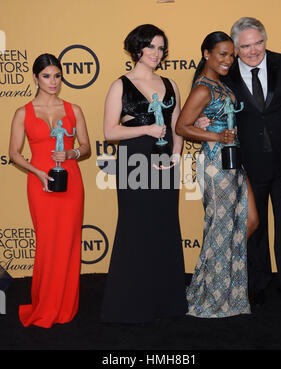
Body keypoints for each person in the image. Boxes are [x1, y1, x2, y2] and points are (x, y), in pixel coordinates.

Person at [199, 17, 281, 307]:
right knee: (254, 227)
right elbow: (202, 97)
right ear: (235, 47)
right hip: (247, 164)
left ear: (265, 41)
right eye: (245, 46)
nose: (254, 51)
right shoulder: (223, 73)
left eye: (259, 43)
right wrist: (204, 121)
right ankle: (257, 282)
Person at [101, 24, 187, 323]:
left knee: (164, 228)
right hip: (134, 162)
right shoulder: (120, 85)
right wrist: (147, 128)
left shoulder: (171, 83)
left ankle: (167, 303)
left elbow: (178, 124)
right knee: (136, 228)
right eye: (151, 46)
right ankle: (129, 305)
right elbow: (110, 132)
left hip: (166, 164)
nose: (156, 53)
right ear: (137, 48)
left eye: (161, 48)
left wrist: (177, 154)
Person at [176, 31, 258, 318]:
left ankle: (224, 290)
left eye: (231, 56)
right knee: (221, 228)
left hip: (233, 160)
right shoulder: (202, 88)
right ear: (206, 54)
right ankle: (208, 297)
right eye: (222, 54)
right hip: (216, 163)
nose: (228, 60)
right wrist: (215, 134)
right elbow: (181, 127)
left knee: (248, 221)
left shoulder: (219, 83)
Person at [9, 53, 91, 328]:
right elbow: (14, 154)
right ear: (35, 78)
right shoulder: (23, 112)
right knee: (47, 244)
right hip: (39, 182)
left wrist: (71, 152)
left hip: (71, 181)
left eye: (57, 75)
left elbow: (86, 147)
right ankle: (45, 305)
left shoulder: (74, 109)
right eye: (47, 76)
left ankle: (66, 306)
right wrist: (37, 171)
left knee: (68, 243)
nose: (53, 81)